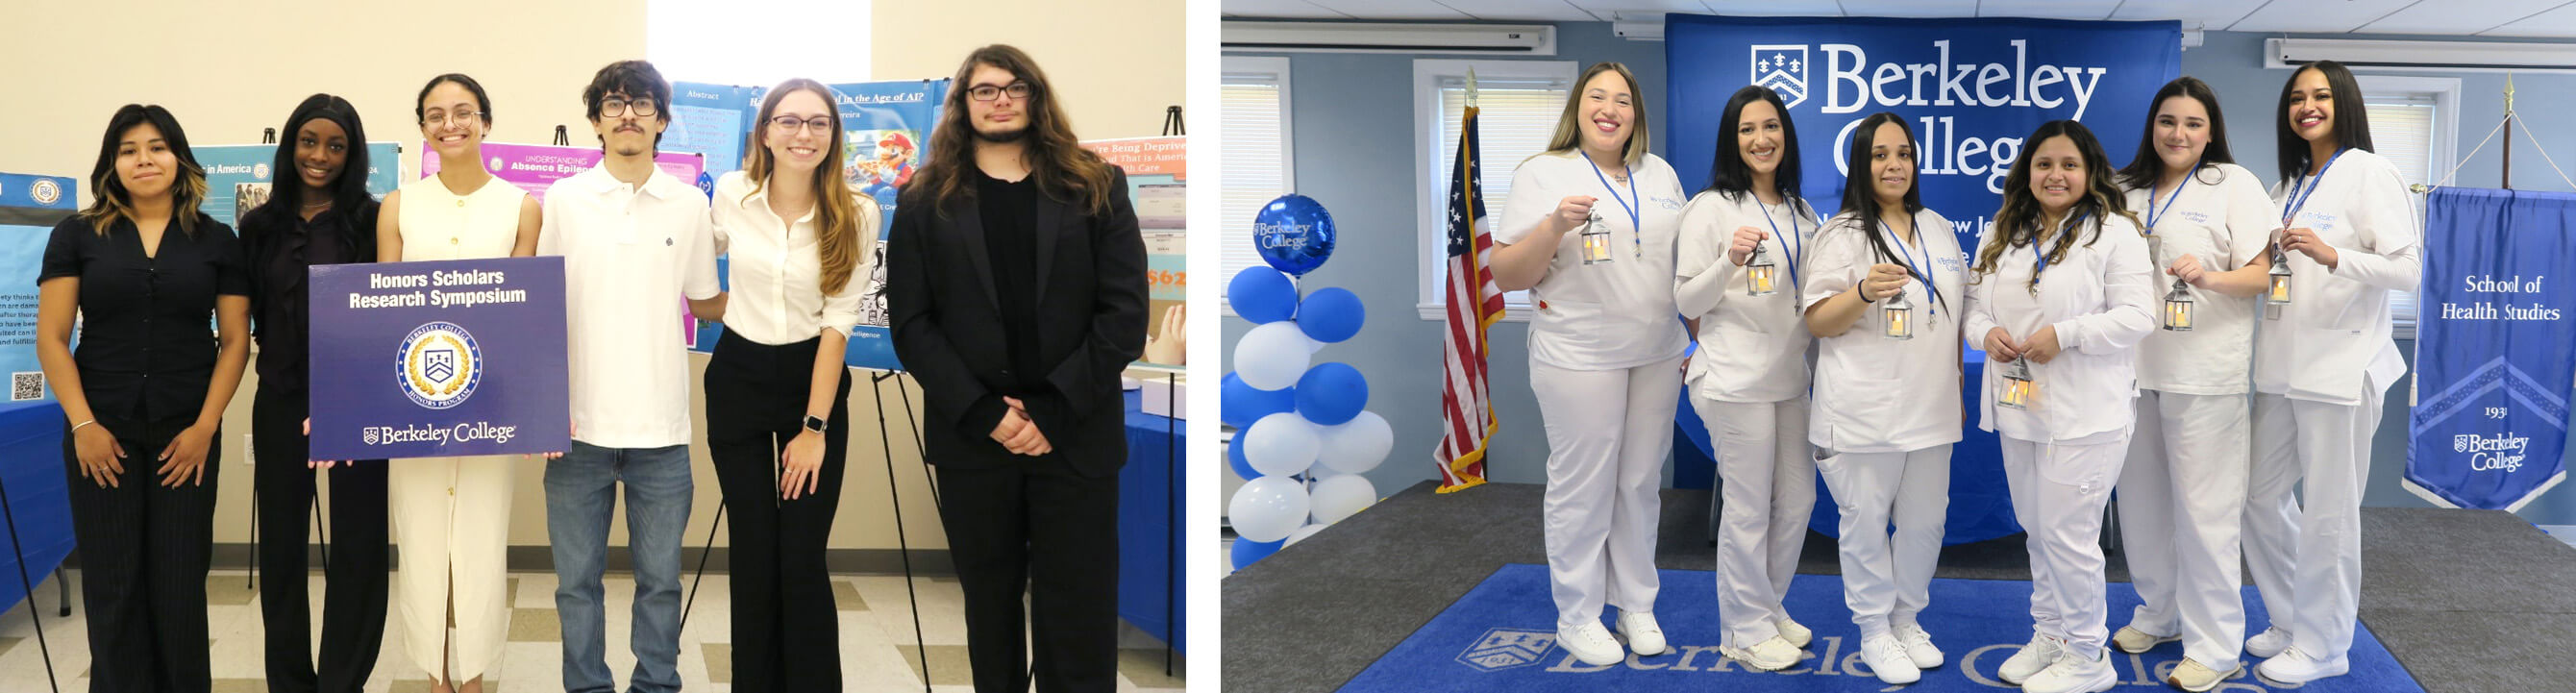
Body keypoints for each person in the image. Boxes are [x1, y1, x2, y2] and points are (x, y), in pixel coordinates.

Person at [887, 44, 1147, 693]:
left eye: (1014, 87)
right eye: (985, 90)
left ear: (1036, 95)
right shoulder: (923, 197)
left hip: (1077, 434)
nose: (1000, 100)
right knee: (989, 605)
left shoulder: (1096, 184)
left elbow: (1124, 314)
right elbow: (912, 324)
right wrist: (988, 415)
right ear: (963, 104)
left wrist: (1052, 411)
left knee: (1078, 609)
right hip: (975, 438)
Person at [36, 103, 249, 693]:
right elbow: (52, 338)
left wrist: (206, 426)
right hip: (100, 432)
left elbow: (235, 341)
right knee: (114, 584)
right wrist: (83, 426)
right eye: (128, 150)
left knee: (179, 584)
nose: (144, 159)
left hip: (188, 435)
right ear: (112, 163)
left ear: (179, 158)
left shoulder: (216, 240)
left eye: (156, 147)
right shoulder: (77, 235)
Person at [1484, 61, 1688, 667]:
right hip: (1579, 354)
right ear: (1577, 107)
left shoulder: (1660, 173)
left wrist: (1696, 340)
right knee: (1585, 484)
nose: (1610, 109)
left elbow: (1678, 264)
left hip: (1656, 350)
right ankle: (1577, 614)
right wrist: (1553, 225)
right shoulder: (1543, 172)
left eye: (1623, 100)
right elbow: (1507, 273)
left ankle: (1635, 604)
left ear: (1635, 114)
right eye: (1597, 96)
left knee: (1639, 483)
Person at [536, 60, 720, 693]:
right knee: (576, 583)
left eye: (643, 104)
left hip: (662, 429)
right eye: (613, 104)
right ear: (595, 121)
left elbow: (704, 300)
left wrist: (786, 287)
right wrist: (543, 405)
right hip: (576, 428)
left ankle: (656, 684)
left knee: (661, 582)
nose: (628, 115)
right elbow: (541, 306)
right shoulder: (564, 199)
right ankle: (586, 684)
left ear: (662, 120)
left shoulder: (690, 204)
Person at [1966, 120, 2157, 693]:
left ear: (2090, 171)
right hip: (2019, 406)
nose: (2056, 175)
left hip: (2086, 414)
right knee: (2037, 529)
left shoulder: (2116, 232)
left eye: (2069, 164)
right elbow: (1973, 306)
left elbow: (2139, 317)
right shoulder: (2005, 229)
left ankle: (2089, 654)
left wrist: (2067, 334)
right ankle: (2051, 635)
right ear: (2027, 171)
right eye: (2044, 163)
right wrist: (1986, 334)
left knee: (2069, 536)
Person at [2245, 59, 2419, 686]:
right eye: (2297, 98)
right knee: (2255, 497)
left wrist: (2333, 255)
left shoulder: (2371, 172)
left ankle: (2325, 644)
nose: (2307, 107)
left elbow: (2408, 270)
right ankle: (2293, 617)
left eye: (2320, 95)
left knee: (2329, 514)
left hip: (2341, 369)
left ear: (2344, 102)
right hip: (2281, 368)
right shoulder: (2287, 185)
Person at [2107, 76, 2279, 692]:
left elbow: (2264, 275)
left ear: (2211, 132)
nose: (2178, 134)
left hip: (2206, 374)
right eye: (2168, 121)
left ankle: (2216, 644)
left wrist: (2208, 278)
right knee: (2143, 507)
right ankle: (2159, 613)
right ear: (2152, 127)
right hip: (2131, 372)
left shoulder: (2233, 184)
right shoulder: (2123, 190)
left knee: (2206, 515)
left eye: (2193, 124)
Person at [703, 77, 871, 691]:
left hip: (813, 382)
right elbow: (695, 276)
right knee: (753, 551)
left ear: (833, 135)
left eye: (818, 122)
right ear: (766, 132)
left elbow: (838, 325)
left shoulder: (858, 212)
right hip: (738, 379)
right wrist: (725, 306)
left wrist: (814, 428)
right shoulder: (732, 194)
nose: (804, 133)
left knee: (800, 556)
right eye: (790, 121)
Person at [375, 73, 541, 693]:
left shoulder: (522, 207)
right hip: (413, 404)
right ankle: (435, 675)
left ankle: (472, 676)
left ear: (486, 122)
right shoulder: (399, 206)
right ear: (422, 128)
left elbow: (521, 317)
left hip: (490, 407)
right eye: (436, 115)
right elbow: (383, 309)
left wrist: (534, 409)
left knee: (480, 542)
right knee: (420, 542)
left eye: (464, 112)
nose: (451, 124)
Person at [1800, 111, 1964, 686]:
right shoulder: (1841, 233)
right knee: (1866, 525)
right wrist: (1864, 291)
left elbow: (1953, 314)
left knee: (1925, 525)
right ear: (1860, 164)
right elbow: (1818, 321)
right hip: (1863, 411)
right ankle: (1873, 630)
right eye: (1880, 155)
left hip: (1932, 409)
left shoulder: (1938, 227)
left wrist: (1957, 388)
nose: (1895, 165)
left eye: (1904, 154)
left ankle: (1906, 620)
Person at [238, 92, 390, 693]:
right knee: (280, 548)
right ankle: (290, 683)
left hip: (357, 402)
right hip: (279, 397)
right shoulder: (258, 226)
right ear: (290, 146)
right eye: (309, 141)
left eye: (335, 145)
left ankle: (342, 681)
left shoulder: (373, 221)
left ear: (352, 155)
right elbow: (247, 316)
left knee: (358, 544)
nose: (320, 156)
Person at [1671, 84, 1819, 672]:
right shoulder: (1710, 208)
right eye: (1748, 129)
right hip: (1732, 379)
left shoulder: (1802, 212)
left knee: (1799, 499)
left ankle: (1766, 605)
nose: (1761, 139)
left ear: (1786, 135)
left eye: (1771, 126)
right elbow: (1686, 299)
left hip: (1789, 379)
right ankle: (1742, 629)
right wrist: (1729, 261)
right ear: (1732, 141)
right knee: (1749, 506)